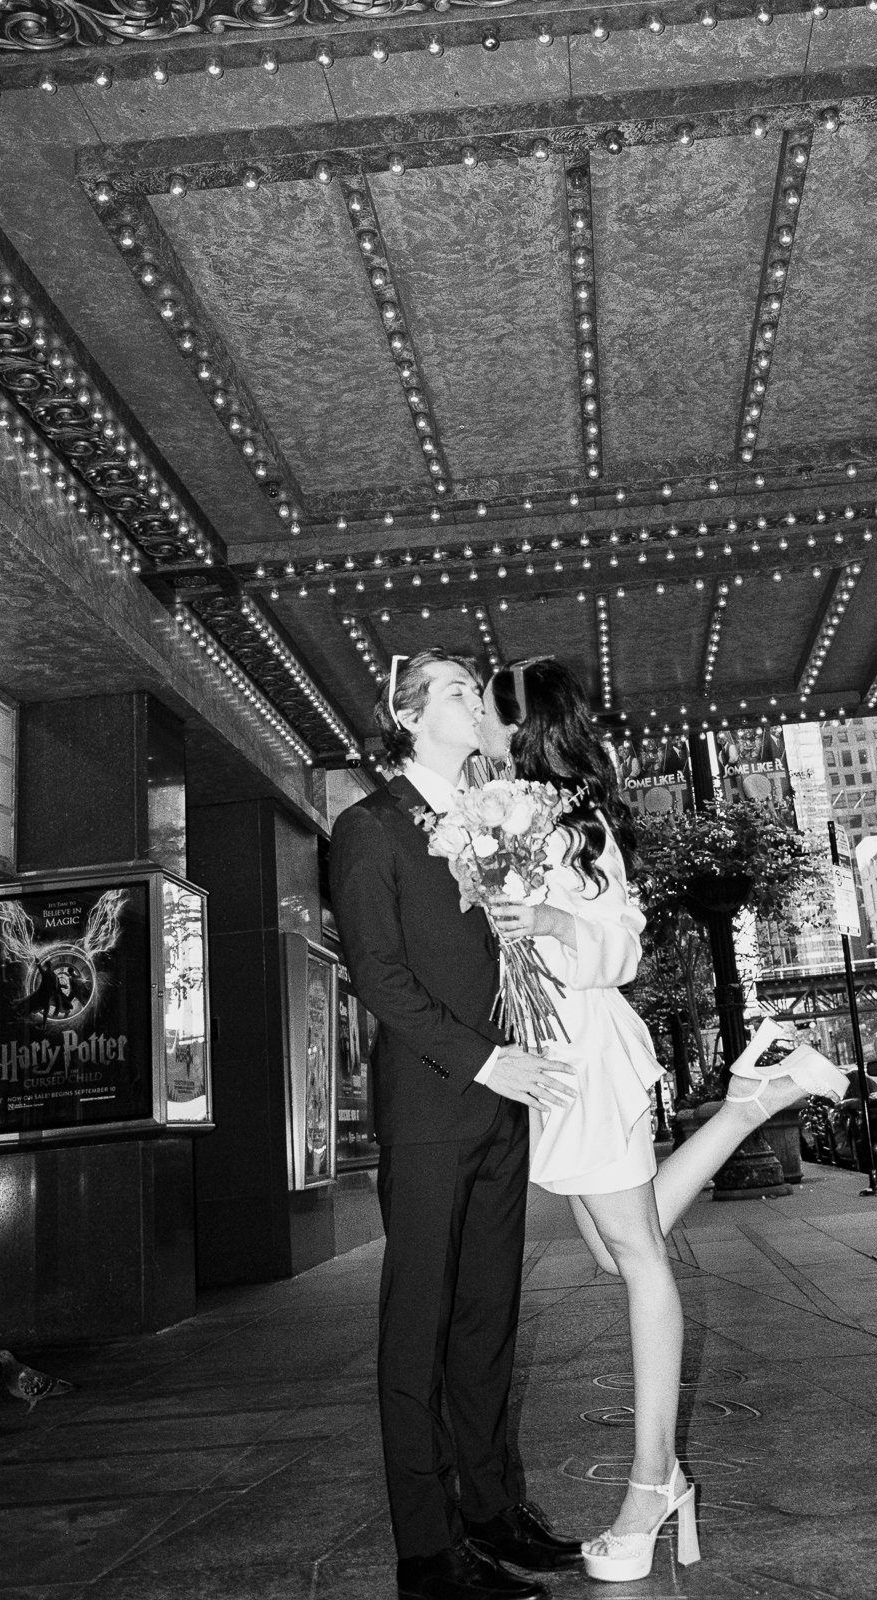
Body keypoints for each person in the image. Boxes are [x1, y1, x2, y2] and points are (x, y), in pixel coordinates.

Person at [481, 659, 845, 1583]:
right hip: (553, 1054)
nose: (479, 725)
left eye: (487, 711)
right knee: (619, 1254)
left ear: (523, 726)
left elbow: (620, 947)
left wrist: (551, 924)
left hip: (584, 1055)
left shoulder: (578, 826)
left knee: (638, 1260)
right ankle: (756, 1099)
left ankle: (652, 1486)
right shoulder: (511, 814)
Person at [329, 649, 583, 1600]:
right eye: (456, 691)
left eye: (477, 692)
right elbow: (379, 977)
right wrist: (484, 1060)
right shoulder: (368, 828)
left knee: (486, 1319)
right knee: (418, 1330)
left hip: (502, 1102)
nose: (477, 703)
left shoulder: (491, 815)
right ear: (406, 715)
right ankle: (428, 1554)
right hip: (435, 1107)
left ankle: (492, 1510)